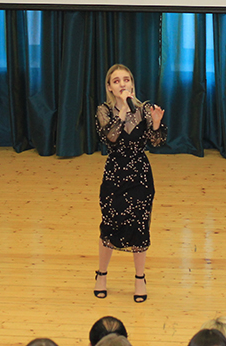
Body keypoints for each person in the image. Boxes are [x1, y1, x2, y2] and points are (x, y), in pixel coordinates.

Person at [93, 63, 166, 303]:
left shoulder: (144, 109)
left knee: (139, 227)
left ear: (132, 84)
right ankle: (101, 275)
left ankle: (140, 278)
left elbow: (156, 142)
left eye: (126, 80)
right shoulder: (104, 110)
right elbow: (110, 138)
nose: (122, 84)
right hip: (115, 175)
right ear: (109, 87)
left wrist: (156, 123)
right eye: (116, 81)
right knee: (109, 225)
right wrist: (123, 111)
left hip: (139, 176)